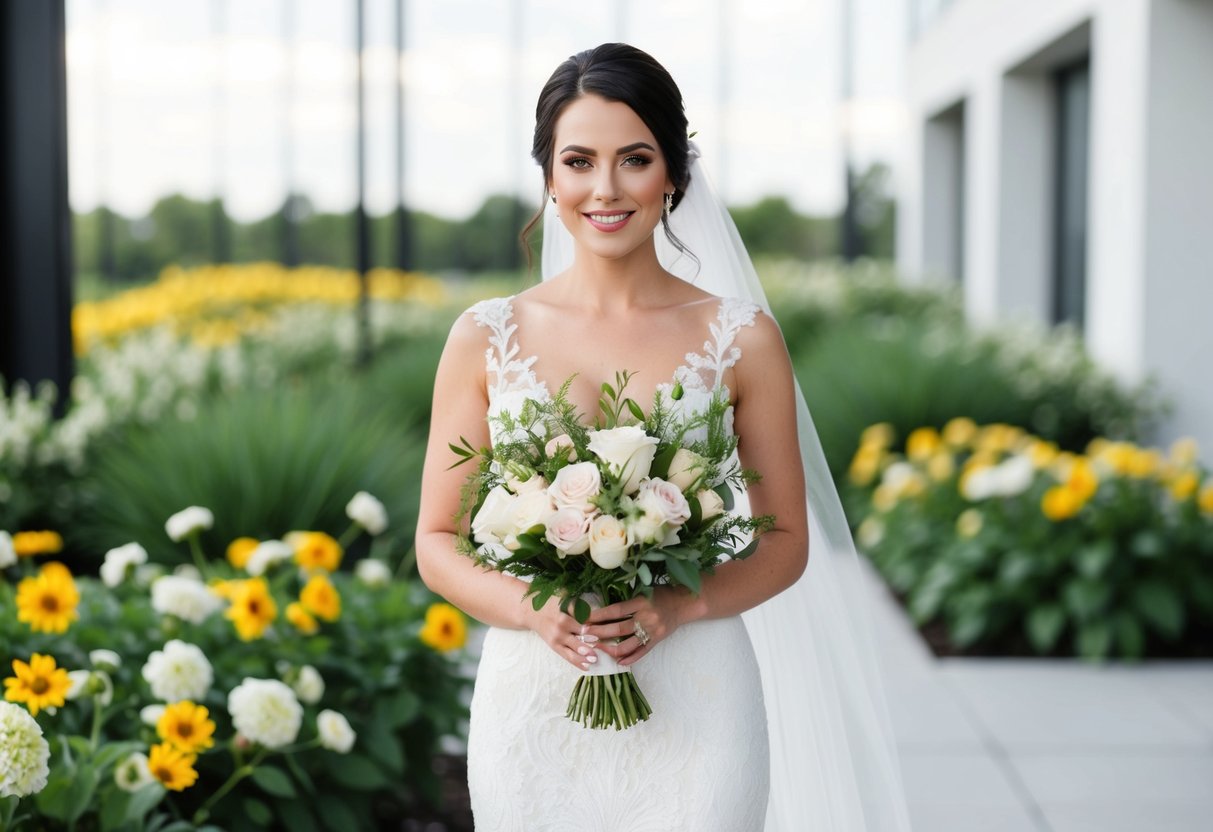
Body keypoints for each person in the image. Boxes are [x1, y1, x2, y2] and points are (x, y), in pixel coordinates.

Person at [416, 43, 912, 831]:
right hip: (533, 699)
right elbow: (437, 540)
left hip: (699, 698)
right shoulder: (484, 335)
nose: (604, 188)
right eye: (578, 160)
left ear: (674, 173)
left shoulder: (741, 337)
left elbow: (784, 541)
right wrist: (530, 608)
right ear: (547, 174)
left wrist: (678, 607)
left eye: (634, 159)